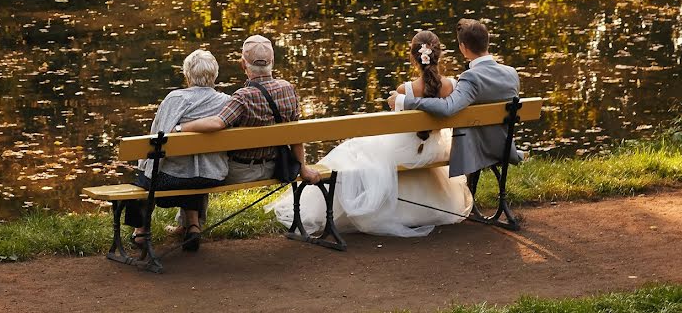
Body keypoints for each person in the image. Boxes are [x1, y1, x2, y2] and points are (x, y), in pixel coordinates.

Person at [266, 30, 473, 237]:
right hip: (435, 150)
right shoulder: (453, 86)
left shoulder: (405, 90)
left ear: (413, 57)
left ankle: (319, 209)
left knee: (350, 150)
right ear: (439, 55)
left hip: (408, 151)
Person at [389, 19, 523, 191]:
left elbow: (447, 108)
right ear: (487, 41)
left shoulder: (470, 78)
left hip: (480, 149)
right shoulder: (511, 73)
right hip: (504, 147)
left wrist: (404, 101)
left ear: (463, 48)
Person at [180, 35, 321, 185]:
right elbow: (295, 134)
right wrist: (303, 168)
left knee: (202, 172)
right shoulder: (288, 89)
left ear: (243, 64)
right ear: (272, 61)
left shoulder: (242, 97)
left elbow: (217, 123)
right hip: (276, 167)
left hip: (239, 172)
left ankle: (194, 209)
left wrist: (180, 127)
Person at [125, 49, 230, 252]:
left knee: (145, 176)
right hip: (212, 176)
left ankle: (141, 231)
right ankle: (192, 225)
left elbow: (157, 138)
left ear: (187, 75)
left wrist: (143, 168)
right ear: (215, 75)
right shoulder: (226, 101)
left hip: (170, 180)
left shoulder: (176, 98)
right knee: (193, 167)